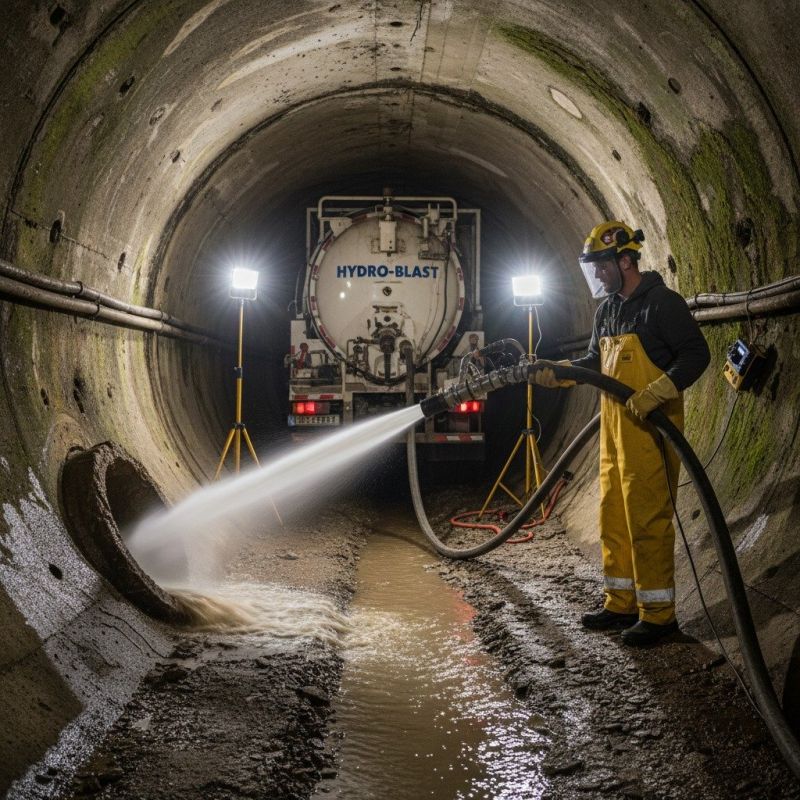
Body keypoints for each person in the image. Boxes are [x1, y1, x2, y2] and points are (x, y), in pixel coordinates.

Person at [533, 221, 710, 646]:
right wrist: (558, 375)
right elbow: (596, 362)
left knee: (648, 519)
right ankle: (621, 603)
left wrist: (657, 391)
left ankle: (659, 615)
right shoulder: (609, 310)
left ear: (625, 261)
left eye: (600, 266)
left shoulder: (662, 304)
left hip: (650, 432)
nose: (596, 275)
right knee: (613, 513)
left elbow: (696, 354)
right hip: (614, 432)